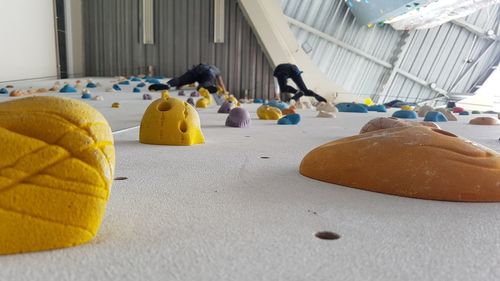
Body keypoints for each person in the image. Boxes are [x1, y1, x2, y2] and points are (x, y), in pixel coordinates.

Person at [149, 64, 226, 94]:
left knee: (180, 80)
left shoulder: (202, 65)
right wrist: (225, 92)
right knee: (207, 82)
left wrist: (180, 84)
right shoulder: (216, 70)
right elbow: (221, 83)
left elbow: (186, 80)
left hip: (196, 70)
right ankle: (202, 87)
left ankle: (168, 84)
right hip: (208, 73)